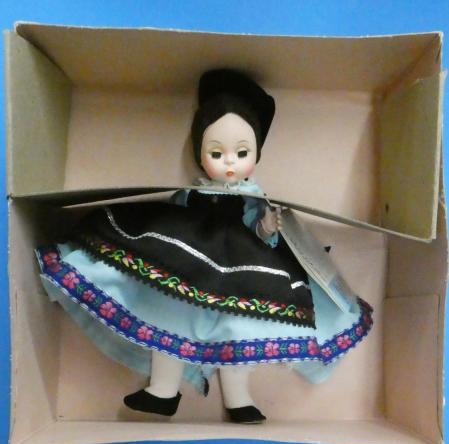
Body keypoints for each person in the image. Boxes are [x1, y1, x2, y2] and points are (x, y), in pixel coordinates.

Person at [36, 69, 373, 424]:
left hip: (244, 268)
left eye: (241, 152)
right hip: (189, 262)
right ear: (200, 153)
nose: (229, 161)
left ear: (256, 154)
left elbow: (259, 229)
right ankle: (162, 391)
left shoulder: (253, 197)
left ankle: (239, 399)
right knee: (169, 320)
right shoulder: (193, 192)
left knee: (238, 332)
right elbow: (175, 214)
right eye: (216, 152)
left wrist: (267, 226)